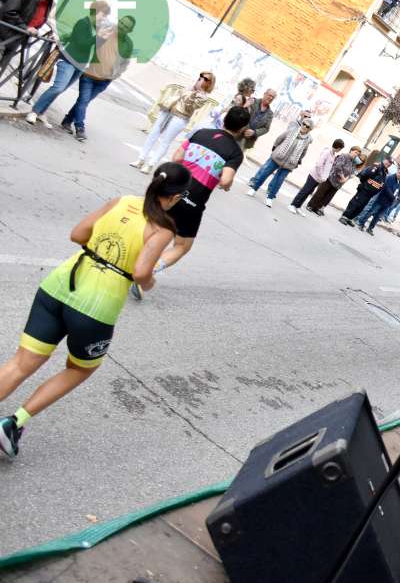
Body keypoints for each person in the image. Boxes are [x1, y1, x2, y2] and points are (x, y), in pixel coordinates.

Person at [0, 163, 190, 456]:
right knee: (79, 369)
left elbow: (77, 234)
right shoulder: (163, 228)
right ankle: (14, 423)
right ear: (177, 197)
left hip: (60, 284)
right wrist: (149, 283)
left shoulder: (121, 202)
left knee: (21, 363)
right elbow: (141, 272)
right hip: (96, 307)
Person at [130, 109, 251, 301]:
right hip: (192, 200)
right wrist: (225, 183)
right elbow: (225, 180)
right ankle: (148, 270)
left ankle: (130, 260)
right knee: (181, 246)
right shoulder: (235, 152)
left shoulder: (201, 133)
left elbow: (177, 157)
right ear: (243, 128)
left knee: (154, 228)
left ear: (225, 118)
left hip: (171, 187)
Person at [26, 0, 112, 127]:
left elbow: (94, 47)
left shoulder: (96, 28)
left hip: (81, 65)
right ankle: (33, 112)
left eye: (106, 16)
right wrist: (98, 37)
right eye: (103, 14)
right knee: (58, 87)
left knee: (61, 90)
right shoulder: (83, 23)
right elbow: (81, 44)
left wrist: (103, 38)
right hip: (68, 60)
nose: (104, 18)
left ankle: (41, 112)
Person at [59, 14, 135, 142]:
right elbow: (86, 37)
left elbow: (125, 63)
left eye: (125, 27)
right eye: (121, 23)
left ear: (129, 30)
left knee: (84, 101)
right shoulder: (106, 31)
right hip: (89, 74)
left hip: (104, 80)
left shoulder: (128, 44)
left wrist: (116, 75)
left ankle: (67, 121)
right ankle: (80, 128)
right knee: (83, 100)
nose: (121, 27)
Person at [133, 72, 216, 172]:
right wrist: (191, 89)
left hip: (180, 118)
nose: (201, 79)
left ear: (209, 83)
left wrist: (195, 94)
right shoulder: (190, 87)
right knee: (153, 134)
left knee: (165, 141)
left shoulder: (203, 97)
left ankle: (150, 165)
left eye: (205, 79)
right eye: (201, 76)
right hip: (167, 111)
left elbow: (189, 106)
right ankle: (140, 159)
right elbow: (179, 95)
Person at [245, 117, 315, 207]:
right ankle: (254, 189)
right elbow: (279, 138)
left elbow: (303, 151)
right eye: (303, 123)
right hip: (277, 157)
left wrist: (298, 161)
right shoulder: (292, 130)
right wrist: (275, 148)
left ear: (310, 129)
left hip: (289, 163)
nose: (304, 126)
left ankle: (270, 198)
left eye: (307, 126)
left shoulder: (308, 140)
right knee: (265, 173)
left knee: (279, 181)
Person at [0, 0, 57, 75]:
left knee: (2, 69)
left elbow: (39, 20)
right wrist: (25, 27)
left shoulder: (50, 3)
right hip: (4, 33)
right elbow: (9, 11)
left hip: (17, 39)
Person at [290, 139, 344, 214]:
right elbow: (319, 165)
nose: (340, 150)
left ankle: (298, 206)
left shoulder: (332, 154)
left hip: (319, 179)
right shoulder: (327, 152)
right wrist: (322, 176)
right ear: (338, 147)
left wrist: (323, 177)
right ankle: (293, 205)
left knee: (308, 192)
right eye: (340, 149)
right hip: (314, 176)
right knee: (305, 191)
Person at [307, 146, 361, 215]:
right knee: (321, 192)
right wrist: (342, 177)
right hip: (332, 178)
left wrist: (345, 179)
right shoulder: (344, 156)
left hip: (339, 183)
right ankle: (311, 205)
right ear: (351, 151)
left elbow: (352, 172)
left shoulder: (353, 162)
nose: (356, 154)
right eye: (355, 152)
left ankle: (317, 208)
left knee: (328, 196)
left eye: (358, 154)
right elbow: (338, 167)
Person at [339, 157, 391, 225]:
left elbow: (382, 184)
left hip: (370, 193)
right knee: (355, 203)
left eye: (390, 163)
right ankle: (344, 216)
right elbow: (365, 175)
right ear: (384, 160)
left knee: (361, 206)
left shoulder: (384, 171)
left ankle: (350, 218)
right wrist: (365, 185)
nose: (389, 164)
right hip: (365, 189)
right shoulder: (377, 166)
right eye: (388, 161)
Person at [356, 166, 400, 235]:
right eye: (399, 172)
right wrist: (393, 197)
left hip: (389, 202)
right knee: (371, 211)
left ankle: (370, 228)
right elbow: (386, 188)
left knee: (378, 216)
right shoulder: (391, 177)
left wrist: (398, 197)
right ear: (397, 171)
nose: (399, 174)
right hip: (382, 199)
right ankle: (361, 223)